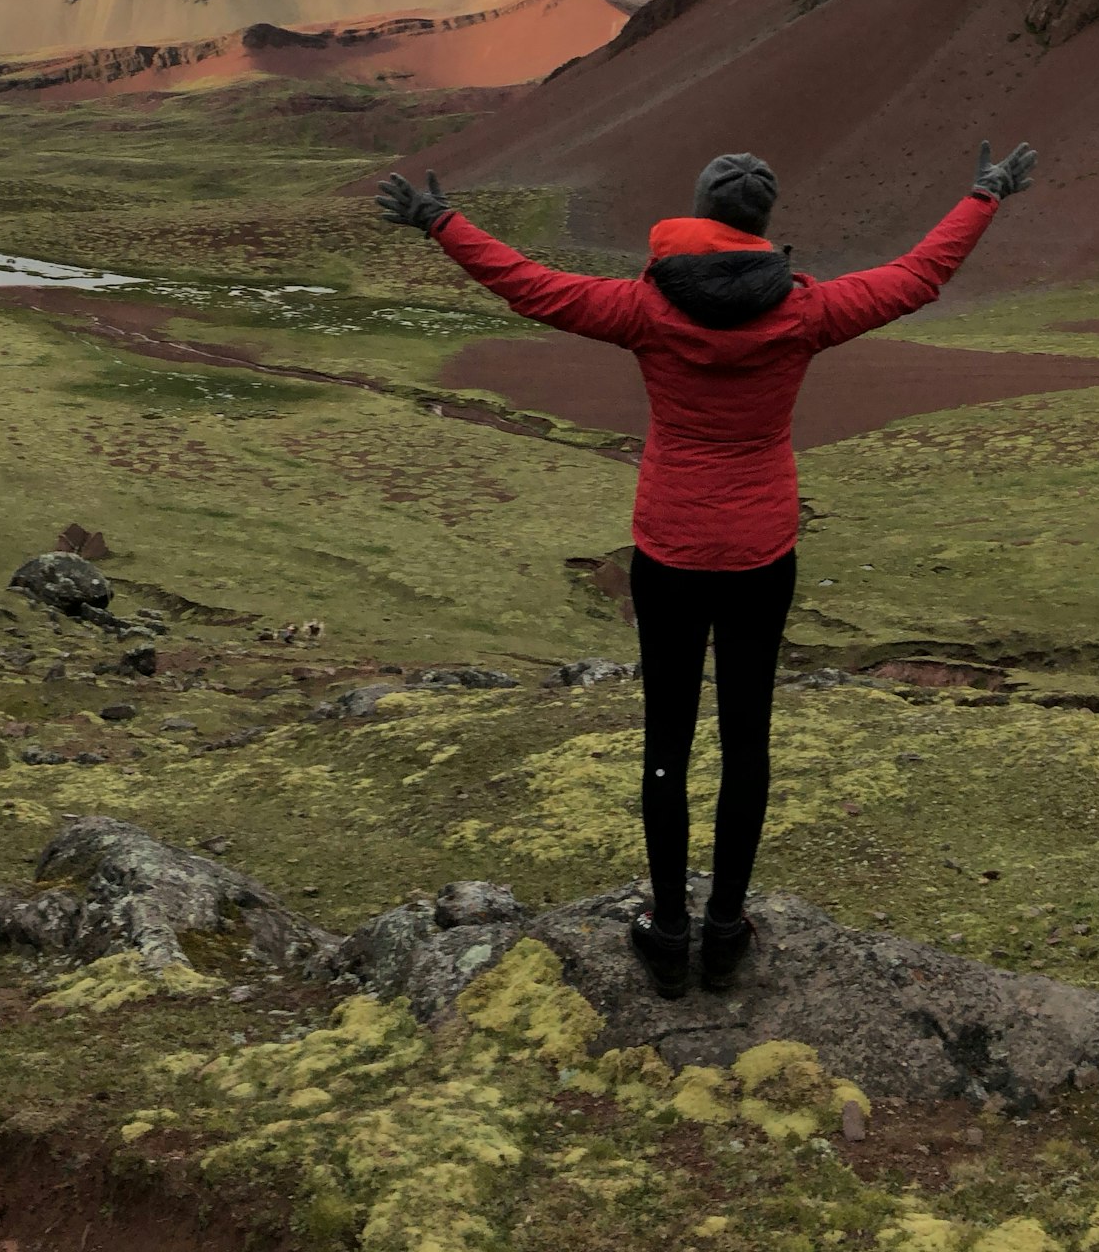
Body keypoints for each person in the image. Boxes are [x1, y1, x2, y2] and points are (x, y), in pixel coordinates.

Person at [374, 140, 1039, 996]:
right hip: (762, 552)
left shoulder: (645, 307)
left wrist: (442, 221)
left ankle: (667, 929)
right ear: (763, 229)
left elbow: (530, 285)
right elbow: (917, 276)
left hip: (670, 551)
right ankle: (726, 930)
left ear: (696, 219)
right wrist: (983, 195)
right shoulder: (806, 312)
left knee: (668, 739)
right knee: (747, 740)